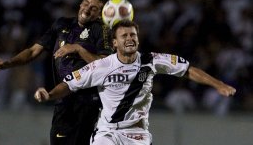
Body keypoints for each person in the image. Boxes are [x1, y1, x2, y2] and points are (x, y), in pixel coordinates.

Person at [34, 20, 236, 145]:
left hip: (137, 133)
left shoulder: (152, 60)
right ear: (114, 43)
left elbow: (188, 70)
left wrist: (218, 84)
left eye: (133, 35)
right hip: (108, 133)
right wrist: (49, 94)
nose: (129, 38)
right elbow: (70, 84)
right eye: (124, 36)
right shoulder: (102, 66)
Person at [0, 0, 112, 145]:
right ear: (81, 2)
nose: (87, 9)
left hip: (87, 104)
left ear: (99, 14)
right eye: (86, 3)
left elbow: (105, 65)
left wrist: (78, 49)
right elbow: (33, 51)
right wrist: (8, 63)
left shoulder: (101, 30)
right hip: (62, 101)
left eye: (94, 8)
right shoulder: (62, 24)